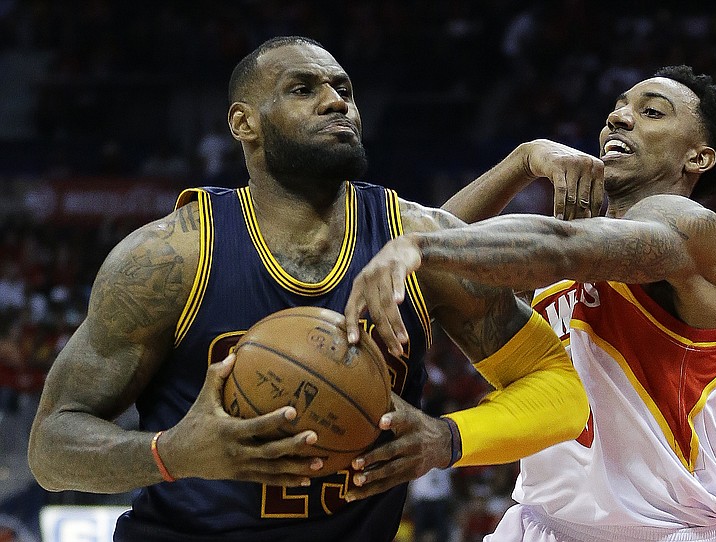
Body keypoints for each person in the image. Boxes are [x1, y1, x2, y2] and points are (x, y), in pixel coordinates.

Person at [27, 36, 588, 542]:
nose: (337, 101)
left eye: (344, 89)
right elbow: (51, 448)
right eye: (304, 88)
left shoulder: (420, 242)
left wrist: (447, 437)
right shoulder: (168, 257)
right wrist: (170, 453)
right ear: (244, 123)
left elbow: (562, 389)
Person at [344, 65, 716, 541]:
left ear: (697, 158)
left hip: (659, 529)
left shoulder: (693, 230)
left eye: (652, 112)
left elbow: (551, 245)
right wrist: (522, 161)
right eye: (618, 107)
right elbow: (431, 276)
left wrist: (422, 247)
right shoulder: (565, 252)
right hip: (541, 522)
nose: (619, 118)